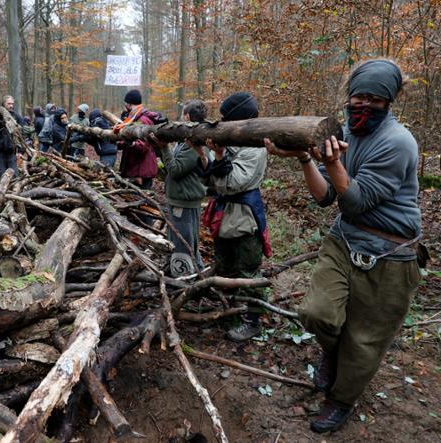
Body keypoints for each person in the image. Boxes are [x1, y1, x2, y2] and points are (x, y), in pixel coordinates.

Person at [265, 59, 421, 433]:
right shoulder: (345, 131)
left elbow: (355, 200)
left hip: (390, 255)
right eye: (358, 96)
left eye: (373, 99)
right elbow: (324, 197)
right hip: (344, 239)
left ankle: (341, 401)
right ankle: (330, 354)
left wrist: (333, 164)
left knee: (364, 340)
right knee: (318, 313)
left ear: (388, 102)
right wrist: (306, 157)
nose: (362, 105)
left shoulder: (397, 142)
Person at [194, 92, 272, 341]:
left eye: (228, 117)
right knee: (225, 266)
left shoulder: (254, 145)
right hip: (225, 214)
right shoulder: (231, 140)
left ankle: (253, 321)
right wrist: (203, 154)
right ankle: (230, 313)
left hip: (244, 216)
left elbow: (232, 183)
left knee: (248, 270)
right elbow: (210, 182)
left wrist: (218, 156)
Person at [148, 100, 207, 275]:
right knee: (184, 240)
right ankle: (195, 272)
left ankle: (184, 279)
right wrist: (160, 147)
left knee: (183, 243)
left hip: (184, 202)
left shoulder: (193, 145)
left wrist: (164, 147)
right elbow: (172, 165)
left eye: (183, 114)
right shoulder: (187, 140)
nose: (181, 117)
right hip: (181, 199)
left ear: (187, 117)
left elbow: (175, 170)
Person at [114, 89, 159, 191]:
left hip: (141, 171)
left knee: (141, 202)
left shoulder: (143, 120)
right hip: (135, 168)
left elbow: (142, 146)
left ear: (129, 104)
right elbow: (130, 139)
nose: (125, 106)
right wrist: (119, 142)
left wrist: (128, 142)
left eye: (125, 104)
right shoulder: (134, 118)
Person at [0, 95, 25, 177]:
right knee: (2, 173)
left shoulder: (16, 116)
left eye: (12, 104)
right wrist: (0, 118)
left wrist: (20, 150)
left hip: (11, 149)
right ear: (4, 104)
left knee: (13, 173)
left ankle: (15, 189)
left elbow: (22, 133)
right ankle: (3, 189)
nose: (11, 106)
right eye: (9, 103)